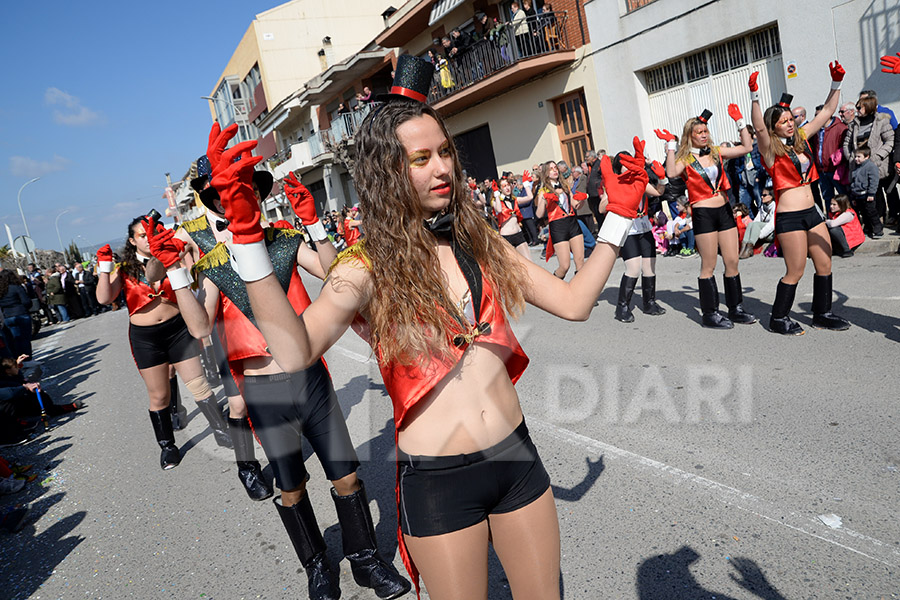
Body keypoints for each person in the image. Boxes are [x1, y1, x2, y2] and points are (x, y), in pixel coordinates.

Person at [217, 55, 647, 600]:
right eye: (421, 158)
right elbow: (296, 349)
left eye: (445, 152)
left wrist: (618, 217)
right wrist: (250, 241)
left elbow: (574, 301)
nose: (441, 168)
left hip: (517, 460)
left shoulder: (479, 240)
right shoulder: (363, 265)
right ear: (388, 172)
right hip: (439, 479)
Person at [166, 130, 410, 600]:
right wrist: (177, 273)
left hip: (310, 378)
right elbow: (200, 327)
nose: (242, 198)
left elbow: (337, 276)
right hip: (263, 388)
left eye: (250, 190)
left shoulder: (283, 241)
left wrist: (316, 226)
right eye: (226, 193)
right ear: (213, 201)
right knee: (291, 487)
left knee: (346, 475)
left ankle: (365, 561)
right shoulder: (216, 260)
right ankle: (317, 567)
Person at [95, 217, 233, 470]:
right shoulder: (125, 267)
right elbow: (105, 298)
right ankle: (168, 446)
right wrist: (105, 267)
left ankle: (220, 430)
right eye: (142, 235)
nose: (148, 238)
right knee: (159, 396)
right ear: (132, 240)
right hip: (146, 337)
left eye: (152, 233)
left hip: (178, 329)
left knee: (199, 385)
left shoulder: (172, 255)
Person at [749, 62, 850, 335]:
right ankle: (778, 318)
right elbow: (758, 129)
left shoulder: (801, 138)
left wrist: (836, 83)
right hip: (790, 216)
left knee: (825, 263)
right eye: (783, 121)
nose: (789, 124)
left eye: (791, 119)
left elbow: (828, 111)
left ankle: (822, 314)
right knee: (795, 270)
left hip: (812, 212)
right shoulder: (769, 149)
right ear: (774, 127)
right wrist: (755, 96)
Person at [655, 105, 757, 329]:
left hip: (724, 209)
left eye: (705, 131)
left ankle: (735, 308)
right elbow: (671, 173)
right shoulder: (686, 159)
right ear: (690, 136)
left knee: (732, 261)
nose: (704, 135)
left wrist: (740, 122)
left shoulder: (716, 151)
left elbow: (747, 146)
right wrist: (671, 146)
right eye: (699, 132)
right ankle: (709, 314)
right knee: (708, 264)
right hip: (703, 213)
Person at [613, 155, 666, 322]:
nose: (628, 166)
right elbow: (602, 206)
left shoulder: (640, 181)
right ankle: (622, 307)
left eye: (630, 162)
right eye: (624, 164)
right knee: (633, 269)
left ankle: (649, 302)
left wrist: (662, 179)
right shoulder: (616, 182)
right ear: (618, 167)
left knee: (649, 267)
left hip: (644, 227)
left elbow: (658, 192)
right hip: (628, 230)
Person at [843, 93, 894, 229]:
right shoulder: (854, 124)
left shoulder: (881, 121)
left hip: (876, 163)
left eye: (859, 107)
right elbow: (847, 143)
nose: (857, 110)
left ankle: (883, 219)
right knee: (864, 194)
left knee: (879, 191)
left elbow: (890, 140)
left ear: (868, 107)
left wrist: (878, 156)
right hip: (858, 165)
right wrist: (851, 157)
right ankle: (871, 222)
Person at [536, 160, 585, 278]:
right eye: (551, 169)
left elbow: (575, 205)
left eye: (555, 168)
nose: (554, 170)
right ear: (546, 173)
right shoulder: (543, 191)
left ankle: (579, 292)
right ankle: (555, 286)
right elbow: (539, 214)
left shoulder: (565, 186)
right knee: (564, 266)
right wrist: (544, 199)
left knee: (580, 263)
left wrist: (582, 199)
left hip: (572, 223)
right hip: (558, 226)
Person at [492, 177, 533, 261]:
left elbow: (530, 197)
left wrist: (525, 184)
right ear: (500, 189)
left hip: (518, 234)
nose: (507, 188)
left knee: (529, 261)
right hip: (506, 237)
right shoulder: (495, 201)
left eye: (508, 185)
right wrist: (496, 193)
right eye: (504, 186)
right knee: (514, 265)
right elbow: (499, 210)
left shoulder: (515, 199)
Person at [848, 146, 882, 237]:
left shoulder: (871, 167)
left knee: (871, 212)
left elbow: (874, 181)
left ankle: (878, 228)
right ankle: (868, 227)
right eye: (855, 156)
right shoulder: (856, 168)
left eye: (859, 157)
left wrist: (871, 193)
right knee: (863, 213)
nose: (856, 159)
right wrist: (853, 196)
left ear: (866, 157)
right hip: (857, 195)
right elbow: (853, 182)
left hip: (867, 195)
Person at [0, 271, 32, 358]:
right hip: (21, 313)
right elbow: (26, 301)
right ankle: (27, 358)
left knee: (14, 339)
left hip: (7, 316)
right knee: (25, 338)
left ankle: (18, 358)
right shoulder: (17, 287)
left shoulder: (1, 290)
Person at [739, 184, 776, 258]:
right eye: (762, 195)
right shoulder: (763, 206)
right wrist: (753, 231)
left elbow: (772, 225)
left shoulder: (775, 206)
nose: (762, 197)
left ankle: (749, 248)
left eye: (764, 195)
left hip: (771, 234)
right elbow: (756, 220)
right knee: (751, 224)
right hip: (764, 231)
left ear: (771, 196)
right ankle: (744, 247)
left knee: (755, 225)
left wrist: (759, 235)